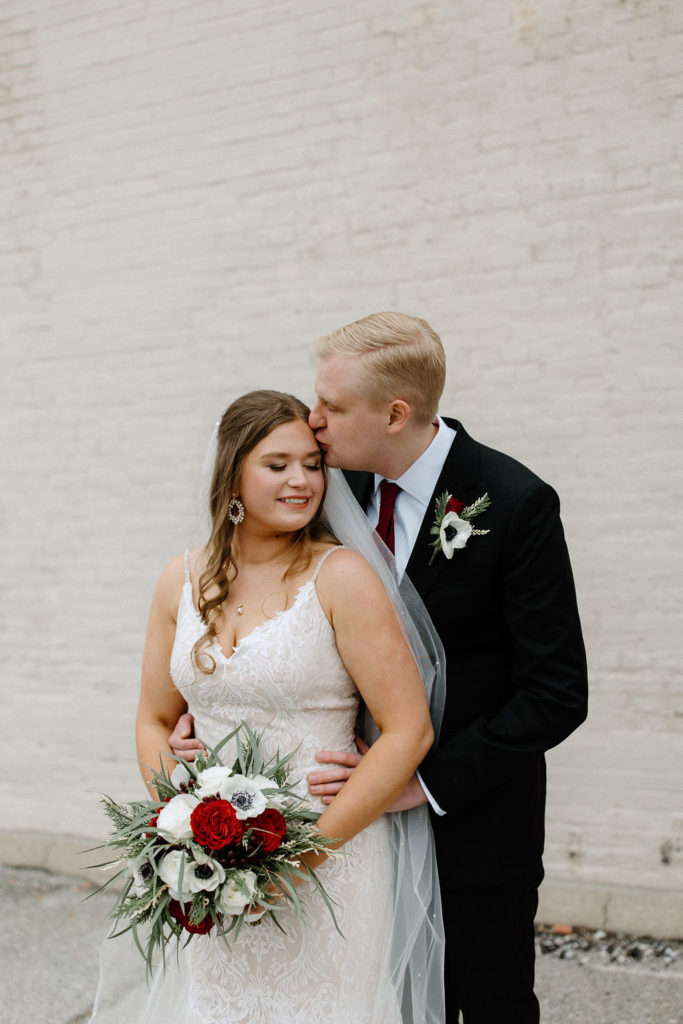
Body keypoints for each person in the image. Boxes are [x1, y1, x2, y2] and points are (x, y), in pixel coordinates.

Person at [170, 313, 589, 1024]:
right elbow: (275, 606)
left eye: (330, 406)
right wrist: (216, 701)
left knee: (484, 999)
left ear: (394, 414)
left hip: (468, 816)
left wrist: (417, 782)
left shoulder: (515, 504)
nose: (313, 419)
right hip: (332, 818)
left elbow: (555, 693)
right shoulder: (329, 488)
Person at [112, 389, 443, 1024]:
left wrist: (297, 863)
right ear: (233, 471)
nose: (302, 481)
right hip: (214, 864)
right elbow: (154, 717)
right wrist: (180, 827)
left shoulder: (342, 577)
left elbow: (409, 730)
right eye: (278, 464)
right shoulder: (180, 578)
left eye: (313, 464)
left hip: (331, 856)